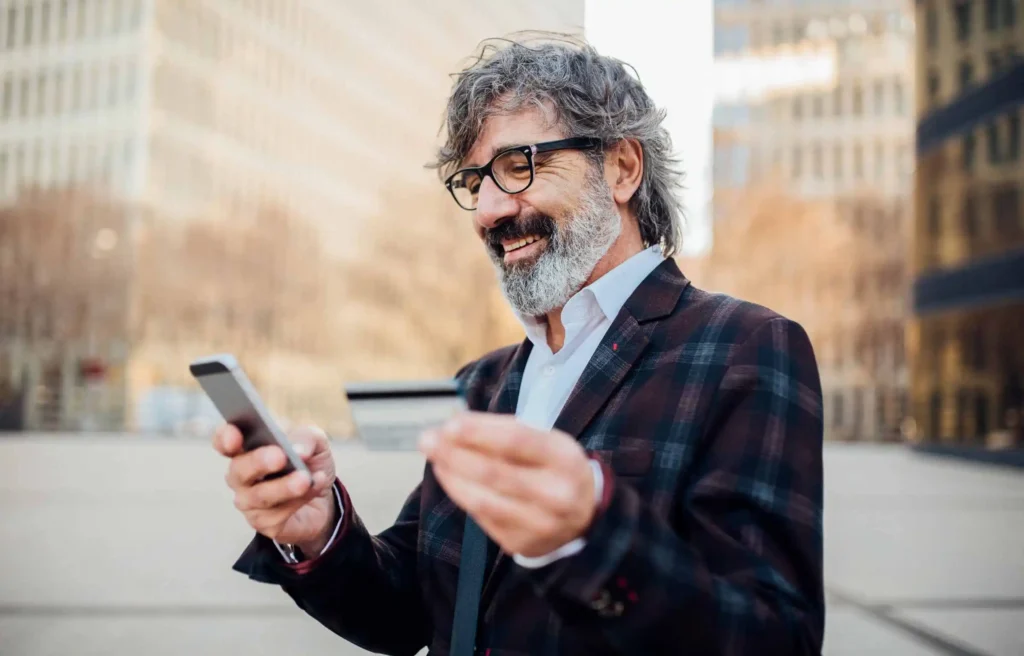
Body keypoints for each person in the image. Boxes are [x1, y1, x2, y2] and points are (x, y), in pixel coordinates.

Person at [215, 36, 825, 656]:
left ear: (622, 168)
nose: (487, 211)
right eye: (474, 181)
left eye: (517, 167)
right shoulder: (480, 384)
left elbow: (774, 638)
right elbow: (408, 613)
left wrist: (592, 534)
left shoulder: (746, 350)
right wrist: (317, 531)